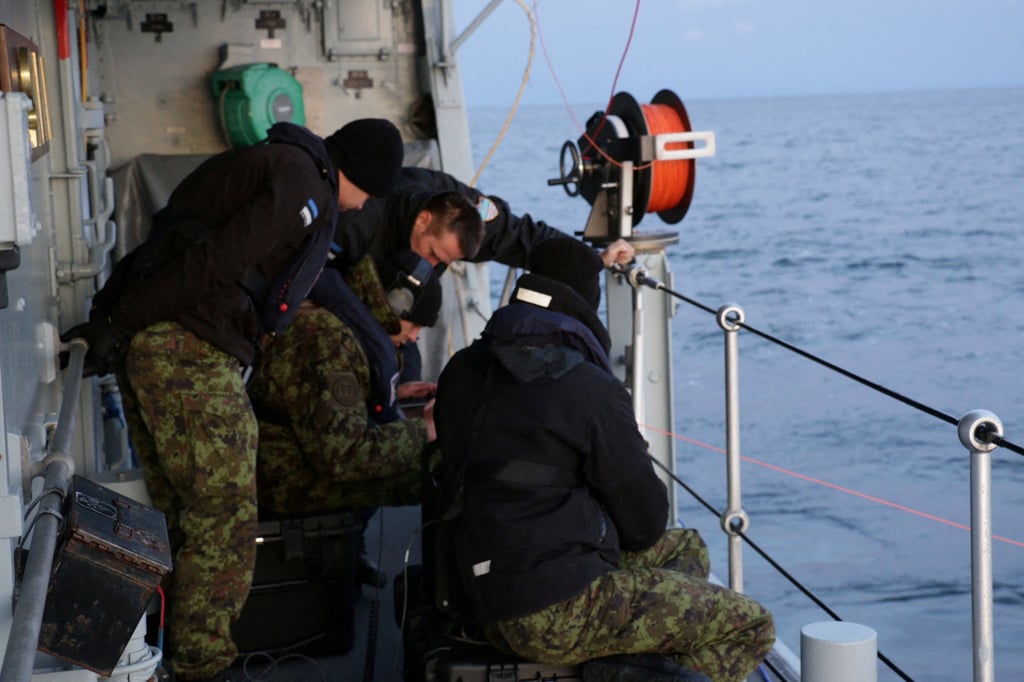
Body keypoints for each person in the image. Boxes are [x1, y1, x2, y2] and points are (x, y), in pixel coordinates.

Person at [61, 118, 404, 682]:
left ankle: (165, 654)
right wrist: (119, 322)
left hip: (162, 340)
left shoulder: (279, 163)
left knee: (183, 515)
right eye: (370, 194)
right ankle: (201, 668)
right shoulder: (302, 184)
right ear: (361, 176)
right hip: (186, 345)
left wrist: (118, 323)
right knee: (224, 518)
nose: (365, 207)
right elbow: (219, 259)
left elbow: (182, 241)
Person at [432, 238, 775, 682]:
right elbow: (645, 522)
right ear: (583, 307)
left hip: (475, 588)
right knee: (750, 625)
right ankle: (627, 671)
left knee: (686, 546)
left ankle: (630, 666)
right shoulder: (588, 386)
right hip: (549, 611)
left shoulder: (460, 369)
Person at [250, 250, 442, 515]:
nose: (414, 337)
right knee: (440, 472)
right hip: (283, 480)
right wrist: (425, 431)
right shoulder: (328, 339)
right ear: (395, 303)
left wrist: (397, 397)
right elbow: (344, 457)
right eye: (415, 325)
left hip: (290, 456)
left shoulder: (335, 321)